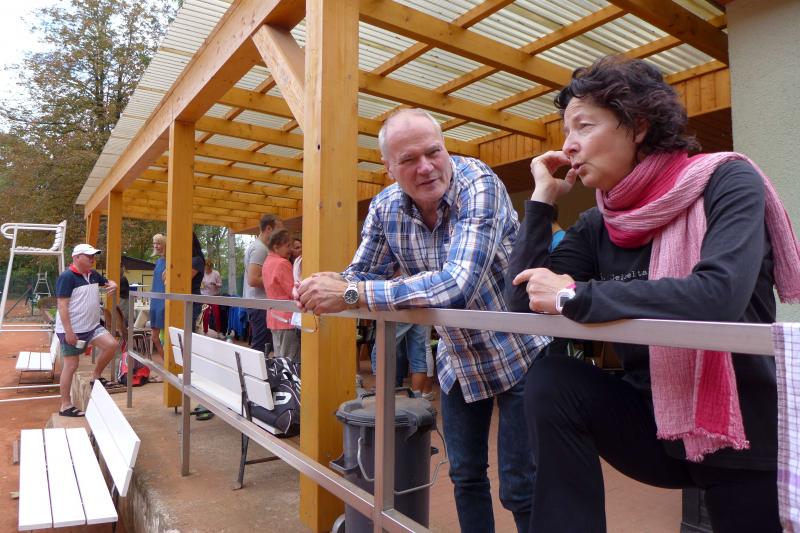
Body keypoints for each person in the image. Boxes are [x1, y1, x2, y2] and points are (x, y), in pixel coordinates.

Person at [506, 56, 800, 532]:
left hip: (744, 432)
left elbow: (718, 296)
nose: (568, 145)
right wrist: (541, 201)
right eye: (565, 131)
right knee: (552, 380)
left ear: (638, 126)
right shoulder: (599, 223)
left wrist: (577, 296)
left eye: (583, 126)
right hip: (655, 423)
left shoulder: (727, 181)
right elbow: (522, 302)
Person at [297, 108, 550, 533]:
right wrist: (320, 286)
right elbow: (361, 275)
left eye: (434, 152)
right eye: (409, 159)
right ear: (389, 168)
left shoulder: (479, 183)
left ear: (446, 147)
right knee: (465, 476)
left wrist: (350, 293)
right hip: (459, 357)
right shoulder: (384, 208)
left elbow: (457, 285)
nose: (427, 167)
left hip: (518, 351)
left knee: (520, 485)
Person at [54, 244, 119, 417]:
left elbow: (108, 282)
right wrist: (68, 331)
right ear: (76, 258)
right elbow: (62, 306)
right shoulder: (67, 277)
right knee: (71, 365)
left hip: (92, 327)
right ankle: (65, 406)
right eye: (89, 256)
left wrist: (113, 284)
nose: (92, 259)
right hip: (73, 330)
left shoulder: (92, 274)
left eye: (93, 256)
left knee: (112, 345)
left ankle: (96, 377)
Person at [243, 214, 282, 354]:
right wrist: (277, 281)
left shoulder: (260, 247)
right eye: (278, 229)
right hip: (259, 305)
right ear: (269, 229)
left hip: (258, 304)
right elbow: (253, 279)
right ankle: (254, 369)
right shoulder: (260, 249)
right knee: (260, 347)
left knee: (264, 346)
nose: (280, 233)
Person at [262, 228, 300, 360]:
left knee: (280, 359)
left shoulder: (267, 262)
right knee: (290, 361)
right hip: (287, 318)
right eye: (288, 246)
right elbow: (293, 292)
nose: (290, 250)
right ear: (276, 246)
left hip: (273, 317)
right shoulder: (283, 263)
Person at [149, 233, 167, 363]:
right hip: (155, 300)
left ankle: (170, 367)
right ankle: (167, 364)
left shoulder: (170, 261)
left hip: (163, 300)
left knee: (166, 338)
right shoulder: (159, 261)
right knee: (154, 338)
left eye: (158, 243)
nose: (156, 246)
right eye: (154, 243)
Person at [201, 259, 223, 336]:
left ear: (211, 267)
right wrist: (202, 285)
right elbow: (199, 285)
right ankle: (205, 331)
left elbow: (220, 284)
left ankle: (218, 332)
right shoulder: (202, 274)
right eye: (206, 268)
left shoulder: (216, 273)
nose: (208, 270)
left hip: (214, 297)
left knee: (217, 314)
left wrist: (215, 284)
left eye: (209, 268)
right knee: (205, 314)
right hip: (205, 297)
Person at [190, 232, 205, 332]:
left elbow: (185, 279)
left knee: (188, 332)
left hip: (193, 301)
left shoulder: (197, 260)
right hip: (184, 300)